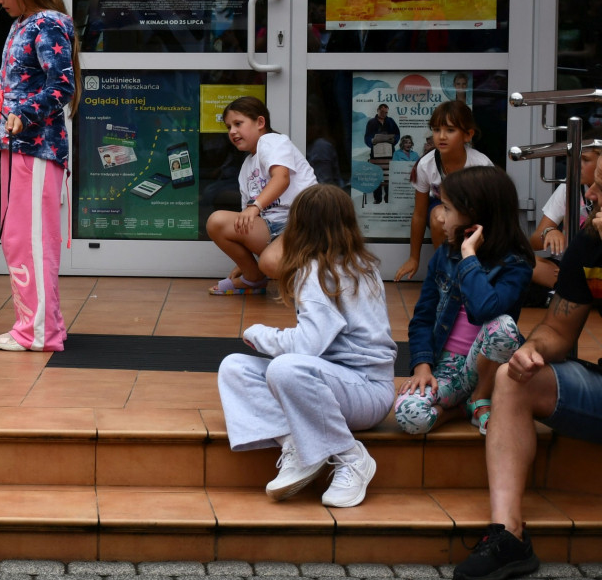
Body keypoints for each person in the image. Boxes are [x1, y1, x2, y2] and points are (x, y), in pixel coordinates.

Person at [452, 153, 602, 580]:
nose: (588, 197)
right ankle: (508, 535)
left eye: (599, 190)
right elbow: (557, 327)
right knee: (513, 378)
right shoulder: (591, 243)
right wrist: (532, 349)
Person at [217, 184, 396, 508]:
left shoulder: (317, 271)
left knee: (286, 367)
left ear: (299, 227)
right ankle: (298, 445)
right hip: (346, 386)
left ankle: (351, 457)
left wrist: (260, 334)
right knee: (234, 366)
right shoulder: (358, 263)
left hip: (364, 392)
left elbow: (306, 346)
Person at [0, 0, 79, 352]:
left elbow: (61, 86)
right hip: (16, 146)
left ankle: (39, 332)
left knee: (34, 240)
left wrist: (25, 112)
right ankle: (38, 324)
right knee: (20, 238)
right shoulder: (24, 22)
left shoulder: (49, 23)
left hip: (37, 148)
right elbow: (28, 75)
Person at [394, 167, 534, 436]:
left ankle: (481, 397)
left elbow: (485, 311)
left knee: (504, 326)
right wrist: (422, 367)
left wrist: (469, 256)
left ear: (475, 213)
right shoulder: (443, 256)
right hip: (446, 368)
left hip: (490, 370)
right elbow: (423, 317)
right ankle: (462, 408)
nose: (440, 218)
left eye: (447, 208)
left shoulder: (515, 265)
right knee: (408, 414)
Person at [207, 96, 317, 295]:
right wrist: (245, 264)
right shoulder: (246, 166)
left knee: (270, 263)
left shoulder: (273, 141)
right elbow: (245, 221)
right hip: (272, 228)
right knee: (217, 221)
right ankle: (253, 278)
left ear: (260, 122)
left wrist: (255, 206)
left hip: (302, 223)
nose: (232, 131)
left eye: (238, 123)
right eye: (228, 127)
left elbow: (282, 178)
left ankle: (322, 280)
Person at [394, 99, 494, 281]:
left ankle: (475, 271)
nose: (441, 136)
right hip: (441, 212)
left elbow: (494, 212)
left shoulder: (481, 164)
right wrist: (413, 257)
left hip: (475, 216)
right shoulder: (426, 164)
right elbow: (419, 213)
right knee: (440, 215)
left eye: (450, 130)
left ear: (467, 135)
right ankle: (446, 273)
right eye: (436, 129)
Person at [527, 135, 602, 302]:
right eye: (574, 158)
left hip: (593, 267)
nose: (576, 165)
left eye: (585, 160)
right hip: (563, 266)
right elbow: (533, 241)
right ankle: (562, 291)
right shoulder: (568, 186)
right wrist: (550, 231)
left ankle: (556, 295)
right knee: (521, 261)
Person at [364, 103, 400, 203]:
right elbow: (367, 137)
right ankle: (378, 198)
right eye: (382, 112)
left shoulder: (391, 121)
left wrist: (394, 140)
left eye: (386, 112)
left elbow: (397, 134)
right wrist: (371, 141)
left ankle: (388, 197)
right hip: (376, 154)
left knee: (389, 176)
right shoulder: (371, 122)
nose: (384, 114)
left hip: (389, 152)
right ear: (378, 110)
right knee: (377, 176)